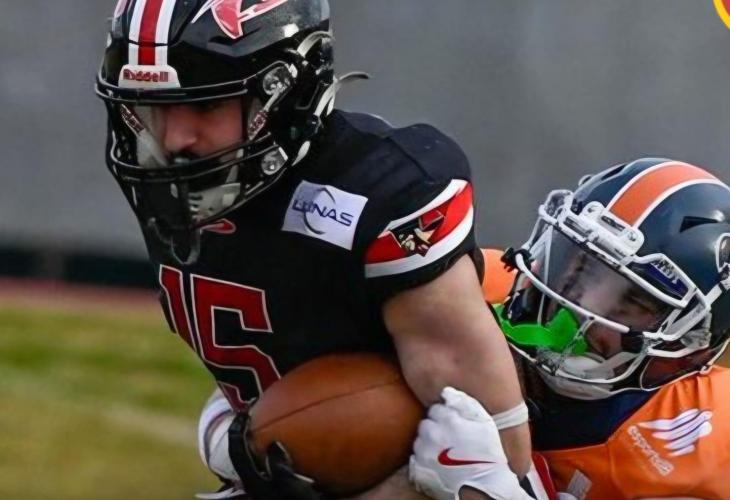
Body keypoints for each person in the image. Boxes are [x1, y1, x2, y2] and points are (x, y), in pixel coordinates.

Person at [95, 0, 535, 498]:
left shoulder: (380, 194)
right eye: (152, 107)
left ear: (286, 93)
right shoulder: (176, 185)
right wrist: (235, 438)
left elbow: (500, 465)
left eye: (206, 106)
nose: (174, 139)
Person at [409, 158, 730, 499]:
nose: (581, 305)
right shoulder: (471, 293)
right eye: (583, 269)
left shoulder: (707, 433)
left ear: (690, 345)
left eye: (634, 301)